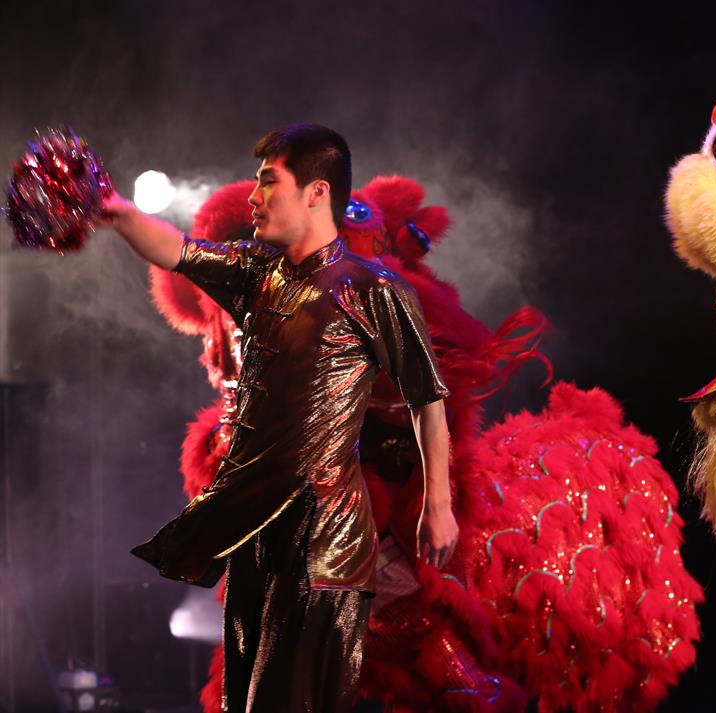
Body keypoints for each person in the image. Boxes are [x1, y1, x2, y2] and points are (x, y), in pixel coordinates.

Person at [107, 123, 458, 712]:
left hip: (325, 546)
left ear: (317, 193)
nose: (253, 197)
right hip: (257, 536)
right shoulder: (255, 272)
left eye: (269, 182)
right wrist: (114, 211)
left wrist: (439, 505)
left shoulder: (376, 290)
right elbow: (174, 248)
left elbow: (428, 400)